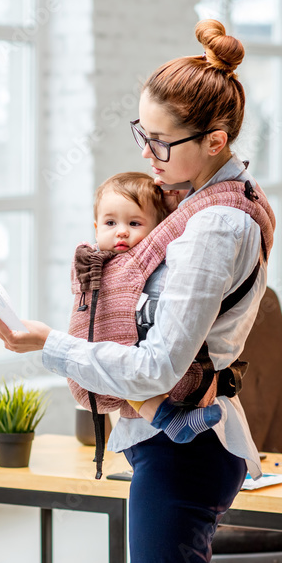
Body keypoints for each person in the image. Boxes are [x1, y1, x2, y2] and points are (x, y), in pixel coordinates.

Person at [0, 18, 276, 563]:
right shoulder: (205, 206)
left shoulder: (215, 227)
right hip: (166, 447)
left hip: (186, 453)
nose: (147, 154)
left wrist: (47, 342)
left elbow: (156, 367)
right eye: (141, 134)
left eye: (161, 143)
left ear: (216, 140)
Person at [82, 170, 226, 444]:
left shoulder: (158, 260)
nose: (121, 231)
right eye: (110, 222)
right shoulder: (96, 262)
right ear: (96, 227)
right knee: (127, 372)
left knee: (136, 375)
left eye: (135, 223)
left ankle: (172, 420)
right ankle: (170, 420)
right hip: (109, 346)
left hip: (148, 354)